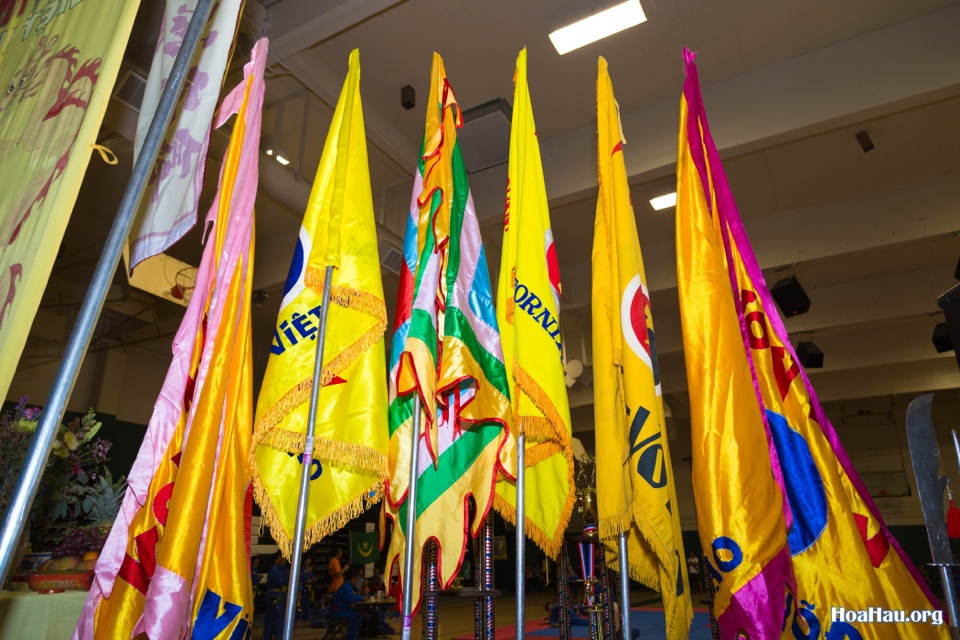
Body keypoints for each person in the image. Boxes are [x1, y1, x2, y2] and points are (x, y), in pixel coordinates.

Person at [331, 567, 367, 640]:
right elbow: (350, 598)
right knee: (355, 616)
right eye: (356, 580)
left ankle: (354, 635)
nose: (357, 582)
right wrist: (362, 598)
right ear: (352, 579)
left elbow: (353, 596)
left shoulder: (349, 586)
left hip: (342, 609)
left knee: (359, 612)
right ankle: (351, 637)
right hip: (338, 611)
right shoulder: (346, 587)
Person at [263, 551, 289, 640]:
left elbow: (283, 568)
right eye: (279, 558)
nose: (281, 560)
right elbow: (281, 582)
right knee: (277, 618)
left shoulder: (276, 569)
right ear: (275, 559)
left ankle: (270, 636)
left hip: (273, 594)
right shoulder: (274, 570)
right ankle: (278, 637)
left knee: (271, 617)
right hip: (275, 595)